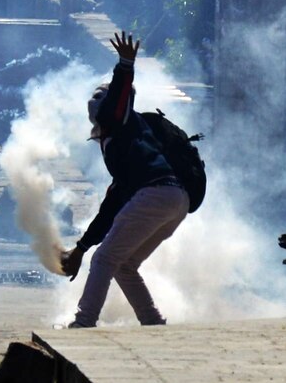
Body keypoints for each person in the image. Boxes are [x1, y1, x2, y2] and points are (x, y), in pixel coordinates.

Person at [60, 31, 189, 328]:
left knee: (104, 260)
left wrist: (125, 66)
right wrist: (80, 247)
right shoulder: (129, 140)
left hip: (156, 195)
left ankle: (83, 322)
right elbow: (112, 205)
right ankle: (153, 323)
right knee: (124, 264)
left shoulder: (118, 124)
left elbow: (117, 100)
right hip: (176, 200)